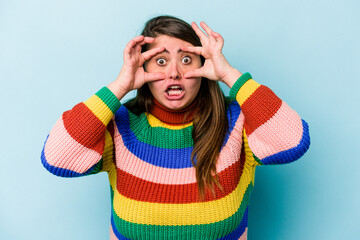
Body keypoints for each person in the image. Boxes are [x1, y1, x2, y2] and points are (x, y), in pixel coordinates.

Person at [41, 15, 310, 240]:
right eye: (160, 61)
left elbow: (293, 140)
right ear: (142, 69)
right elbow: (57, 158)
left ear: (204, 67)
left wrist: (229, 74)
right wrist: (120, 86)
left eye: (185, 60)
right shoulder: (120, 125)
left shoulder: (237, 121)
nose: (173, 73)